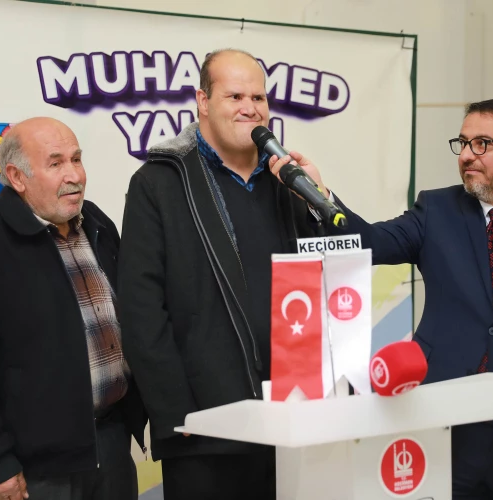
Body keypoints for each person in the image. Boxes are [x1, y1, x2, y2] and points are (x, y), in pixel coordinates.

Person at [268, 98, 493, 499]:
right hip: (445, 430)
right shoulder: (436, 209)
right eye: (463, 143)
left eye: (483, 144)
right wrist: (319, 194)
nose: (468, 155)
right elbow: (371, 242)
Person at [118, 48, 320, 499]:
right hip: (205, 429)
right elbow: (141, 311)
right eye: (235, 96)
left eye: (258, 97)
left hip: (291, 418)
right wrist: (178, 413)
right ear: (203, 102)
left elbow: (330, 266)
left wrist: (318, 197)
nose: (250, 107)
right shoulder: (159, 183)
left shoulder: (287, 181)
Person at [0, 117, 147, 500]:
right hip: (36, 467)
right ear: (17, 177)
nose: (74, 175)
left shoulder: (97, 223)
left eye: (76, 159)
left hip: (112, 443)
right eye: (56, 163)